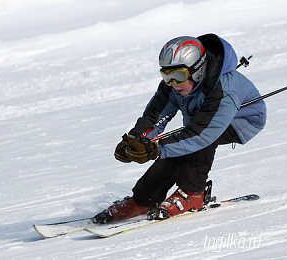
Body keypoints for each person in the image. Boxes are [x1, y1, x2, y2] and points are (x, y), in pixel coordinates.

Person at [94, 33, 267, 223]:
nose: (172, 83)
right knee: (178, 146)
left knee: (193, 144)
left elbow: (202, 134)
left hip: (240, 120)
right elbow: (155, 115)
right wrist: (137, 140)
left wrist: (155, 149)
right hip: (202, 118)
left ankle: (192, 193)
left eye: (178, 76)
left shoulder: (224, 91)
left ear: (198, 70)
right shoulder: (174, 84)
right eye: (166, 76)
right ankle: (144, 200)